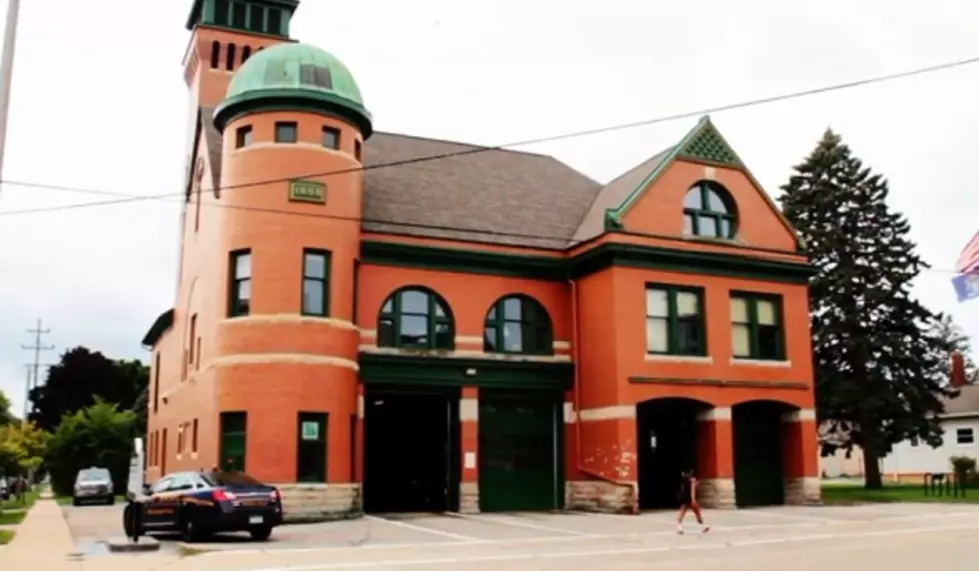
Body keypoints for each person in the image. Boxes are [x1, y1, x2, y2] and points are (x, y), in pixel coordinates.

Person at [676, 469, 709, 534]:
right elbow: (692, 491)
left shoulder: (685, 480)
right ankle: (704, 526)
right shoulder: (693, 481)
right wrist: (693, 500)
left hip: (685, 499)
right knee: (697, 514)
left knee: (682, 513)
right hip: (690, 500)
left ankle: (679, 528)